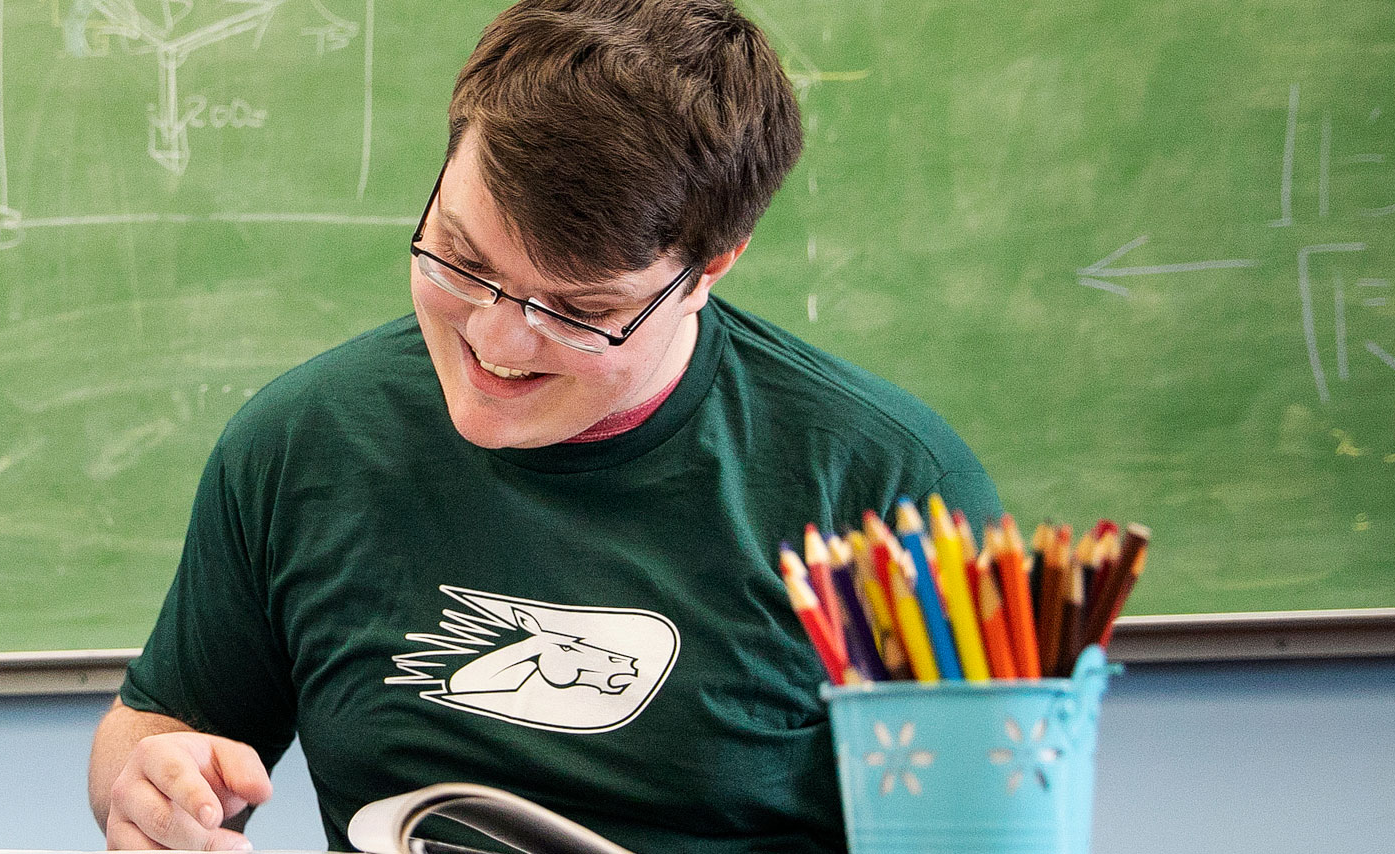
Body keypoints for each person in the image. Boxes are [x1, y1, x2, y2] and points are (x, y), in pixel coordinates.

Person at [87, 1, 1002, 852]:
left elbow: (981, 829)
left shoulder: (887, 494)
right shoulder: (300, 442)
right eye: (460, 257)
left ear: (710, 268)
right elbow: (162, 723)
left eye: (577, 309)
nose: (493, 341)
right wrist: (154, 784)